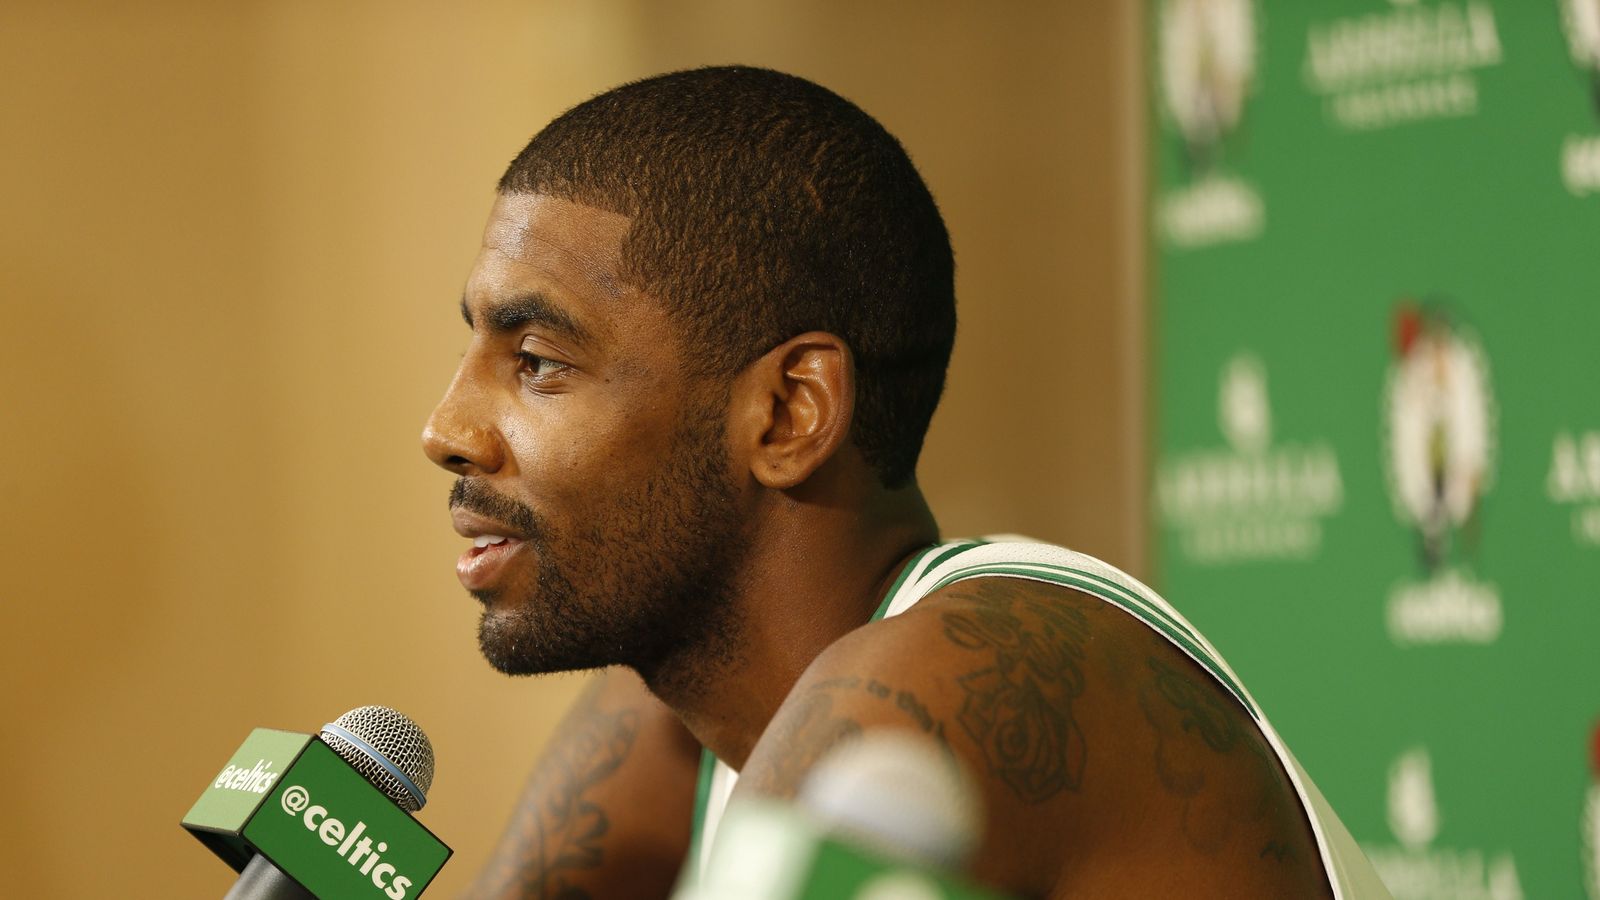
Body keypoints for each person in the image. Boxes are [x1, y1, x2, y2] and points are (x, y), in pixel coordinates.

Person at [422, 65, 1387, 899]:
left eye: (537, 361)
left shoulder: (943, 680)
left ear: (788, 413)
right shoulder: (673, 717)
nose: (445, 432)